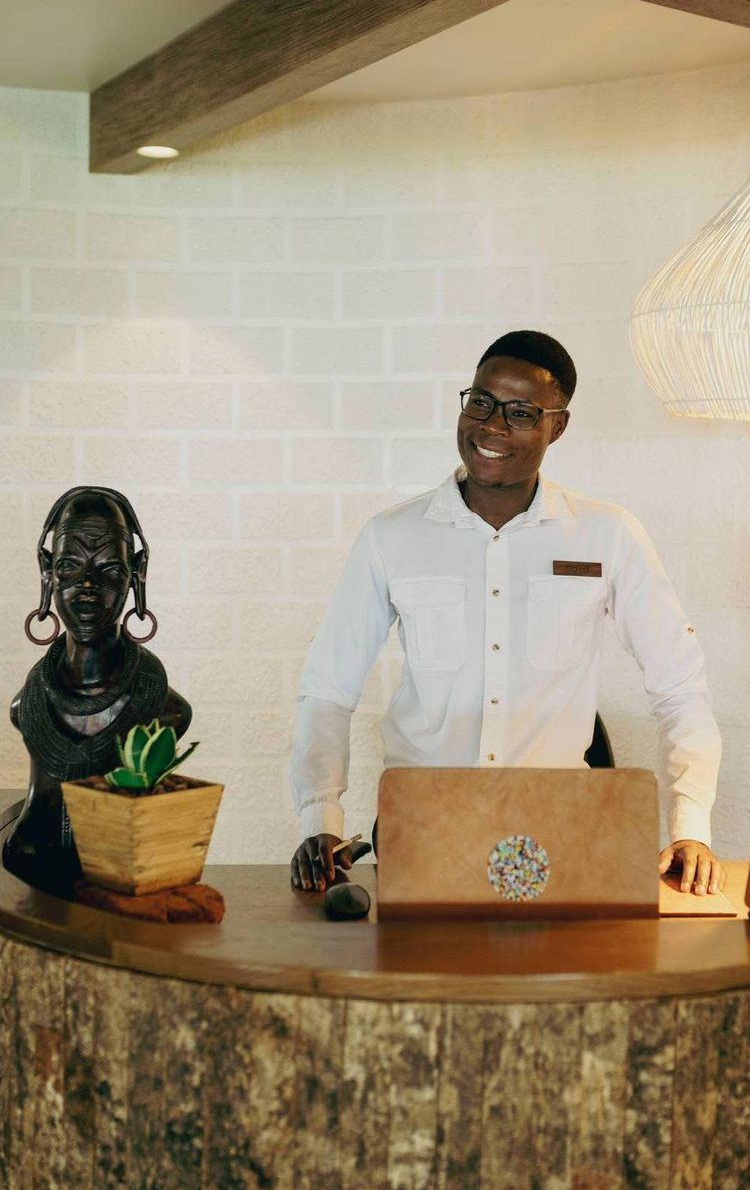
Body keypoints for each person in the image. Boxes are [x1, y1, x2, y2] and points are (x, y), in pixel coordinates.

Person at [289, 331, 724, 897]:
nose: (493, 427)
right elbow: (328, 689)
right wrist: (320, 820)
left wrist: (692, 828)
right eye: (482, 402)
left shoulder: (607, 535)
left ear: (557, 427)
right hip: (422, 829)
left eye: (521, 413)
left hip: (559, 829)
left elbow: (679, 686)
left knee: (553, 983)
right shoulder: (391, 537)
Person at [4, 486, 191, 895]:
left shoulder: (166, 712)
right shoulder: (28, 706)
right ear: (47, 571)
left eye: (108, 570)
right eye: (70, 566)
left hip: (121, 913)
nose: (87, 586)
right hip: (32, 907)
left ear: (136, 575)